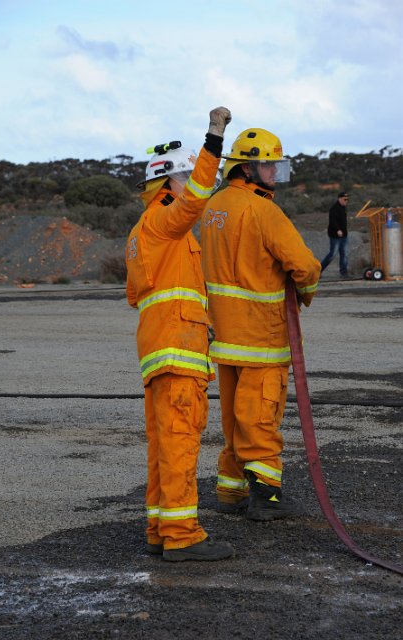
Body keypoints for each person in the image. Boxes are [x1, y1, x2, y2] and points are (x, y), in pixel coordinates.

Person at [126, 107, 234, 561]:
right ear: (167, 184)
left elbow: (137, 295)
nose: (192, 183)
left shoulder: (146, 231)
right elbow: (194, 200)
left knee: (163, 442)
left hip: (160, 350)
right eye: (184, 176)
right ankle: (182, 536)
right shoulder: (166, 220)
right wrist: (213, 140)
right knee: (180, 440)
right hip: (178, 348)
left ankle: (160, 527)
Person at [200, 127, 321, 521]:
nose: (274, 174)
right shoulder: (263, 211)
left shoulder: (215, 206)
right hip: (261, 340)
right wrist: (306, 291)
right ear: (246, 167)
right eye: (268, 166)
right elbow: (304, 266)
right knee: (260, 419)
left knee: (235, 419)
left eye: (276, 167)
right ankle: (267, 498)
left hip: (226, 340)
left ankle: (230, 492)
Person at [320, 191, 350, 278]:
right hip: (335, 235)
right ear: (339, 199)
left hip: (344, 235)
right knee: (332, 254)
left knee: (344, 253)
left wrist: (343, 231)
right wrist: (338, 230)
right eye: (345, 199)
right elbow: (332, 221)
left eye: (347, 200)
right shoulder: (334, 208)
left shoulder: (343, 208)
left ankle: (344, 272)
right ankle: (319, 270)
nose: (346, 201)